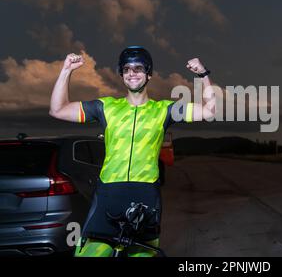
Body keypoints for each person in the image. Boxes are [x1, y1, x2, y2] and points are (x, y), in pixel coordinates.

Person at [49, 46, 215, 257]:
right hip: (109, 193)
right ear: (121, 74)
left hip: (144, 195)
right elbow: (57, 109)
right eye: (127, 69)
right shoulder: (105, 107)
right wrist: (66, 71)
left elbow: (209, 111)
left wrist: (202, 75)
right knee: (91, 253)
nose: (132, 73)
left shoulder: (163, 110)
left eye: (138, 68)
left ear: (148, 74)